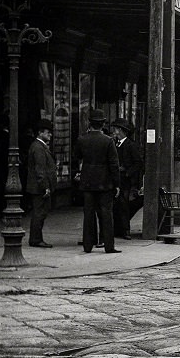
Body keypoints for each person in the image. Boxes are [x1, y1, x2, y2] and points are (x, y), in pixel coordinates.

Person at [75, 109, 121, 254]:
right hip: (105, 182)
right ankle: (108, 245)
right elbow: (114, 164)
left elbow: (77, 156)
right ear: (102, 124)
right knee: (106, 213)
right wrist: (117, 184)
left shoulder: (82, 139)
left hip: (87, 181)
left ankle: (87, 245)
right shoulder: (108, 141)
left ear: (90, 123)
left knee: (88, 213)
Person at [26, 119, 56, 248]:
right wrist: (45, 186)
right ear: (40, 133)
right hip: (39, 187)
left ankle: (36, 238)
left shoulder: (40, 146)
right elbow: (40, 169)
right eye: (47, 132)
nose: (50, 135)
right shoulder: (38, 148)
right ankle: (36, 239)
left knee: (40, 212)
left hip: (39, 186)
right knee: (39, 213)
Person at [111, 118, 142, 240]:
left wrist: (128, 173)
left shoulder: (131, 145)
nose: (114, 131)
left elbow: (138, 163)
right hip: (115, 179)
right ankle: (116, 229)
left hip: (125, 180)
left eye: (116, 129)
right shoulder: (114, 143)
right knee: (115, 205)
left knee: (123, 205)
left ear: (121, 130)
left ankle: (125, 230)